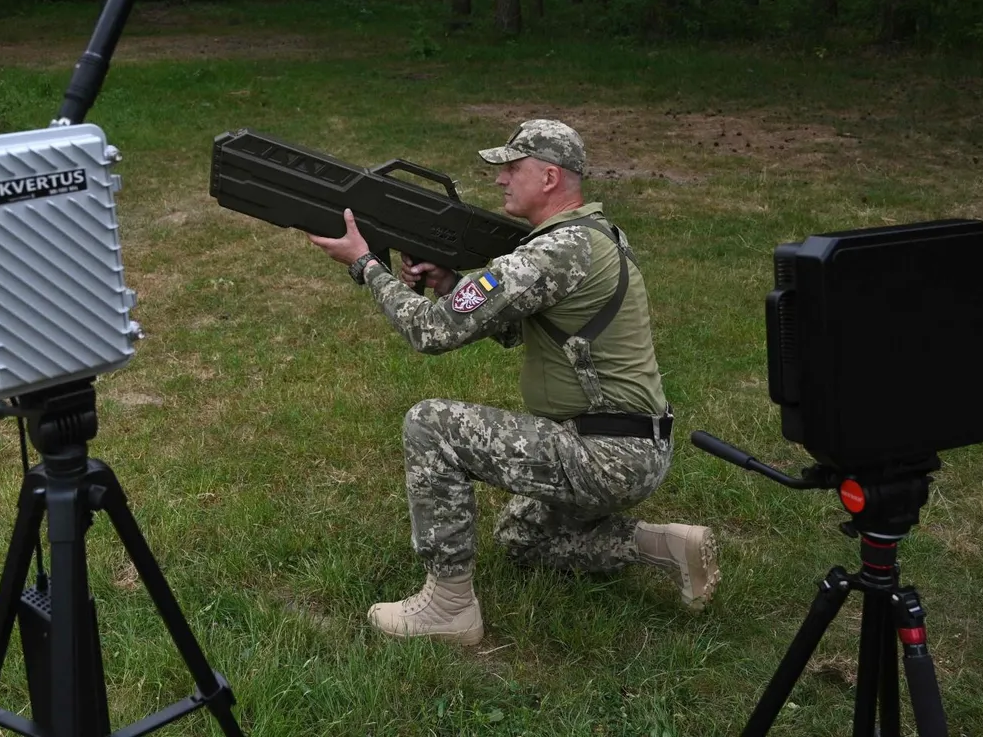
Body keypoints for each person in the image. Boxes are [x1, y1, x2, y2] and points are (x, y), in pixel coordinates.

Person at [304, 119, 718, 644]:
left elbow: (430, 331)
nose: (500, 179)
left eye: (511, 168)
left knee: (431, 425)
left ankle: (449, 608)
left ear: (549, 177)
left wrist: (367, 265)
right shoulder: (590, 237)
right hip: (631, 444)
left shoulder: (551, 252)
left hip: (605, 454)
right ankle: (660, 545)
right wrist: (454, 284)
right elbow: (521, 324)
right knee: (521, 537)